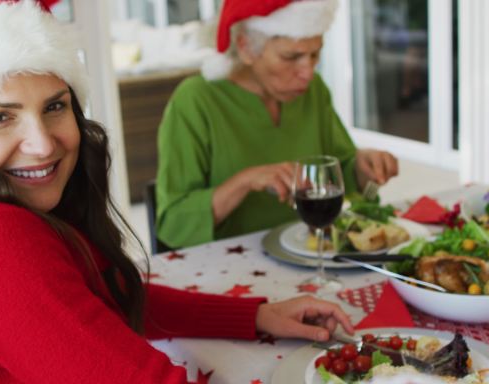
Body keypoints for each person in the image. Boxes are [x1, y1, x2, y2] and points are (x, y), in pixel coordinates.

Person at [0, 1, 354, 383]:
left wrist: (259, 316)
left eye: (55, 107)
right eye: (0, 117)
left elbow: (113, 295)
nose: (43, 142)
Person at [156, 0, 399, 249]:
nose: (307, 71)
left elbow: (339, 174)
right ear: (246, 48)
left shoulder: (313, 91)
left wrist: (362, 165)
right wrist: (246, 181)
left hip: (310, 253)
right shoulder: (195, 100)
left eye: (315, 54)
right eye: (291, 57)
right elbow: (172, 223)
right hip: (228, 265)